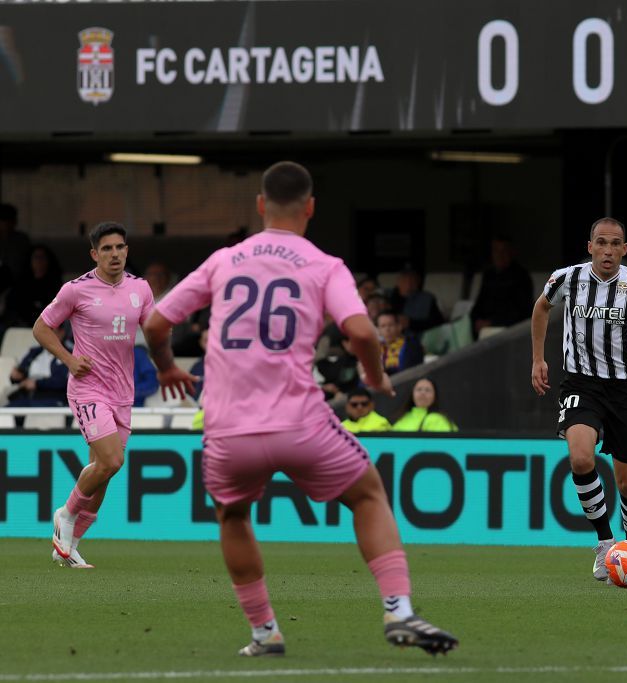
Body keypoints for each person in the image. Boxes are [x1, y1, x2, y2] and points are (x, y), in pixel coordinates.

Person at [143, 161, 456, 657]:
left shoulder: (224, 260)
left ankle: (265, 632)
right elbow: (361, 332)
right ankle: (398, 610)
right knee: (368, 495)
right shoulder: (323, 265)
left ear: (261, 206)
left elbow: (157, 325)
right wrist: (374, 378)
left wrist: (165, 369)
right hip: (301, 424)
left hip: (228, 430)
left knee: (233, 516)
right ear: (311, 208)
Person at [530, 217, 627, 581]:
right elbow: (541, 308)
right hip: (581, 384)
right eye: (601, 243)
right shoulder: (566, 278)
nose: (608, 250)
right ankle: (606, 543)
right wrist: (538, 359)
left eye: (616, 244)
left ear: (625, 249)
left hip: (625, 388)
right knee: (579, 457)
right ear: (589, 246)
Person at [41, 222, 164, 570]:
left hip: (123, 392)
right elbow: (41, 327)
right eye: (107, 249)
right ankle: (65, 513)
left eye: (120, 247)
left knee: (104, 470)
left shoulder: (140, 288)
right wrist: (67, 359)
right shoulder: (75, 290)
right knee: (111, 461)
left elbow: (153, 333)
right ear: (95, 254)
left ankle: (70, 546)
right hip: (88, 388)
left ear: (127, 250)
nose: (115, 254)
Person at [470, 235, 535, 335]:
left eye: (503, 251)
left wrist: (492, 322)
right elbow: (479, 304)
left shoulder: (521, 277)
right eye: (496, 251)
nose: (499, 255)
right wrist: (476, 320)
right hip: (484, 328)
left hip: (508, 330)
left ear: (511, 252)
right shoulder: (489, 275)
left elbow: (521, 311)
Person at [7, 322, 71, 407]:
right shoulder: (34, 352)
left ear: (61, 333)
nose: (47, 336)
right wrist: (15, 377)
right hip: (28, 398)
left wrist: (37, 383)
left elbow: (63, 381)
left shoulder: (69, 354)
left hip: (53, 399)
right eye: (45, 332)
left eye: (51, 331)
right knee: (5, 412)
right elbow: (20, 373)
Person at [3, 244, 63, 328]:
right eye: (36, 257)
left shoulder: (56, 286)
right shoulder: (20, 286)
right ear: (30, 261)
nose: (39, 261)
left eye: (43, 257)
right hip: (23, 328)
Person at [387, 267, 444, 334]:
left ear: (418, 282)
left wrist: (411, 323)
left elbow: (439, 324)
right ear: (398, 281)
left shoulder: (427, 299)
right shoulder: (386, 296)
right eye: (404, 279)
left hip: (416, 339)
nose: (408, 284)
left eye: (412, 280)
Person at [391, 377, 458, 432]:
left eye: (427, 390)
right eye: (419, 389)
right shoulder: (402, 418)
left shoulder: (437, 420)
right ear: (412, 394)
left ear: (435, 396)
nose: (423, 393)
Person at [378, 311, 424, 375]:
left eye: (390, 325)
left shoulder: (411, 345)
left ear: (399, 327)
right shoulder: (376, 351)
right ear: (378, 330)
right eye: (383, 326)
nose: (387, 329)